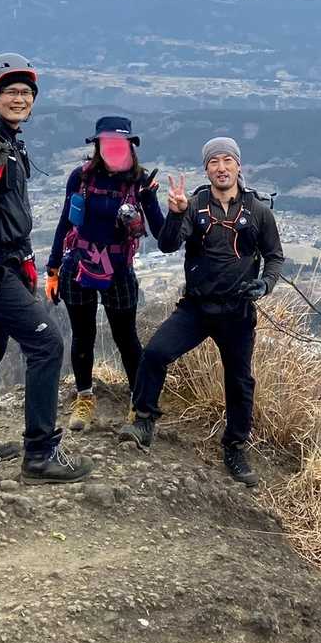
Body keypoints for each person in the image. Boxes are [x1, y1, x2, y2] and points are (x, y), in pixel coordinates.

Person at [0, 52, 91, 483]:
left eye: (26, 92)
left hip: (3, 264)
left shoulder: (8, 141)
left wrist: (26, 260)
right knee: (46, 345)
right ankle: (40, 454)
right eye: (10, 91)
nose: (20, 99)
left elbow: (10, 213)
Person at [119, 136, 284, 485]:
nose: (221, 168)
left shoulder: (258, 211)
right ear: (206, 169)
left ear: (238, 165)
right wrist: (177, 213)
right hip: (196, 307)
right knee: (155, 354)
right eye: (214, 162)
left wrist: (265, 285)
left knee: (239, 381)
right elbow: (168, 244)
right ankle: (143, 421)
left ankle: (235, 447)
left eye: (227, 161)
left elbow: (274, 257)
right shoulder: (194, 205)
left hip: (237, 311)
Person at [45, 115, 164, 431]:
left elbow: (161, 233)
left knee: (126, 338)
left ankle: (139, 403)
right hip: (78, 265)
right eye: (108, 143)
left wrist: (152, 200)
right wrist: (53, 269)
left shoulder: (139, 183)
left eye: (119, 143)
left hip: (119, 270)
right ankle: (85, 397)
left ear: (129, 146)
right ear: (98, 145)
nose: (113, 149)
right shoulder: (81, 177)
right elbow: (65, 222)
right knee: (82, 335)